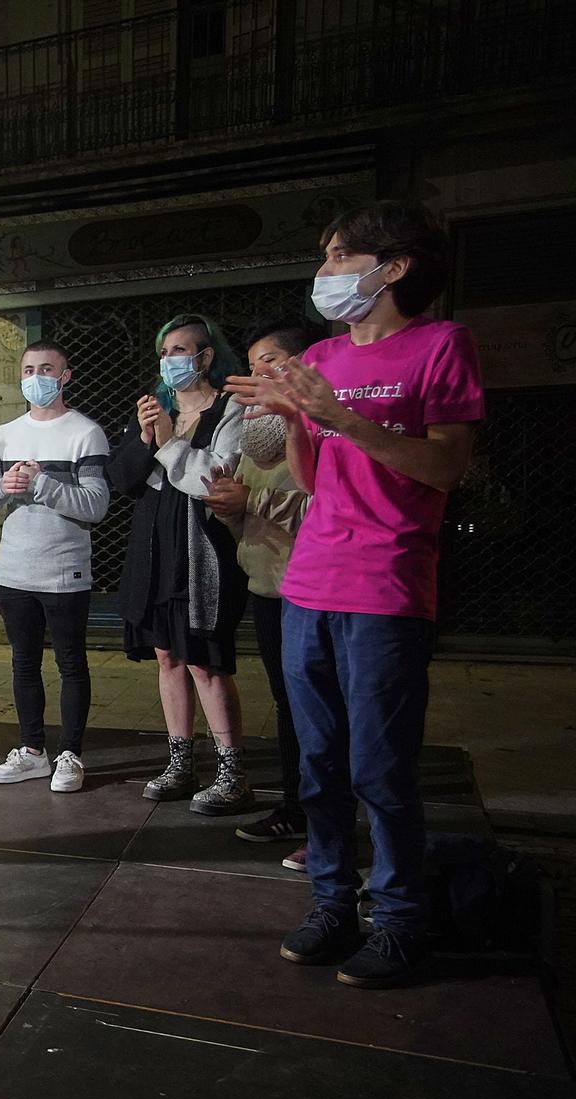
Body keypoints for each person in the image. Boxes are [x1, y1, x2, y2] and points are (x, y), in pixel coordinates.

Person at [229, 199, 485, 989]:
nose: (327, 271)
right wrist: (299, 421)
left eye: (341, 255)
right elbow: (312, 480)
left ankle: (402, 918)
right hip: (310, 580)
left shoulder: (441, 344)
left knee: (382, 764)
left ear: (395, 266)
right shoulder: (327, 357)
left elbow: (447, 468)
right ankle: (332, 902)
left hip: (387, 582)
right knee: (318, 764)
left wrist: (338, 415)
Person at [109, 313, 255, 816]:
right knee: (167, 656)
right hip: (153, 549)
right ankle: (180, 761)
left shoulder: (231, 409)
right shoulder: (156, 410)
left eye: (181, 350)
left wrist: (170, 442)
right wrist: (148, 438)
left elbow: (215, 478)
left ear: (206, 356)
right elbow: (122, 479)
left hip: (201, 551)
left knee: (204, 659)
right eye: (165, 352)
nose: (171, 361)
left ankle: (232, 771)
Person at [206, 319, 322, 872]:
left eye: (271, 362)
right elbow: (250, 515)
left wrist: (249, 498)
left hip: (314, 585)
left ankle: (327, 826)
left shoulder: (322, 428)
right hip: (267, 583)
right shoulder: (257, 436)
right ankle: (296, 809)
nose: (259, 377)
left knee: (319, 710)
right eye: (252, 368)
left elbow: (322, 509)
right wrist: (230, 510)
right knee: (287, 705)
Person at [0, 340, 111, 793]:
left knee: (71, 662)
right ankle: (32, 750)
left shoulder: (85, 433)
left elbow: (95, 505)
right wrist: (3, 488)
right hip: (14, 570)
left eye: (46, 368)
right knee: (23, 663)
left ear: (65, 376)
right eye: (29, 368)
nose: (36, 377)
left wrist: (44, 482)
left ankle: (70, 753)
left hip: (65, 570)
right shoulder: (3, 434)